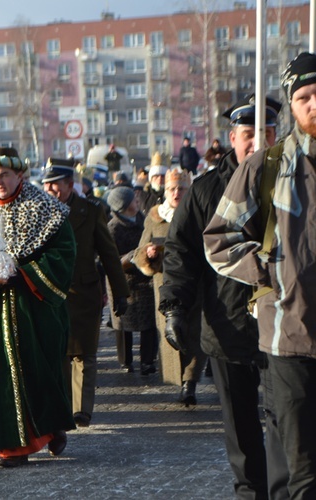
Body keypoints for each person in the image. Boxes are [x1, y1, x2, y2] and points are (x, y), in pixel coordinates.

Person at [161, 92, 286, 498]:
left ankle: (286, 490)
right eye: (249, 134)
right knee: (241, 425)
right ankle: (251, 492)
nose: (258, 143)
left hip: (284, 325)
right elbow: (181, 252)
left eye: (267, 133)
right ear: (232, 137)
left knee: (286, 417)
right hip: (226, 324)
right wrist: (175, 307)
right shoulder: (205, 191)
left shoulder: (294, 180)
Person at [204, 54, 316, 498]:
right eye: (304, 97)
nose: (314, 104)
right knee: (300, 472)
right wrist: (270, 269)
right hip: (289, 340)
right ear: (292, 105)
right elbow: (219, 239)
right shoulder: (268, 168)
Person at [0, 147, 75, 468]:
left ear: (19, 174)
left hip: (34, 308)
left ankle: (50, 428)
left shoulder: (45, 209)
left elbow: (64, 252)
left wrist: (24, 272)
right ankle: (12, 447)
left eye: (4, 175)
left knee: (42, 372)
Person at [42, 158, 129, 428]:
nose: (51, 190)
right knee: (59, 354)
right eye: (47, 185)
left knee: (84, 354)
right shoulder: (38, 212)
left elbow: (109, 254)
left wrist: (120, 292)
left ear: (70, 185)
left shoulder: (91, 211)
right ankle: (64, 406)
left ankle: (82, 409)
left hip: (84, 292)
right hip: (51, 293)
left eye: (56, 185)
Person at [134, 167, 206, 404]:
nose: (177, 193)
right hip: (164, 285)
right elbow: (139, 252)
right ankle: (179, 377)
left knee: (194, 331)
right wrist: (148, 253)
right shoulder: (155, 216)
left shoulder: (199, 214)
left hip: (195, 283)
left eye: (181, 189)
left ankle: (190, 382)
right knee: (171, 332)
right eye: (172, 189)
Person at [106, 186, 157, 375]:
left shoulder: (143, 220)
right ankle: (125, 360)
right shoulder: (113, 228)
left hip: (145, 279)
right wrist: (133, 256)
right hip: (124, 280)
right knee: (122, 323)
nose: (138, 202)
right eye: (133, 201)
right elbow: (110, 257)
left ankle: (148, 361)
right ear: (125, 205)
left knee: (149, 322)